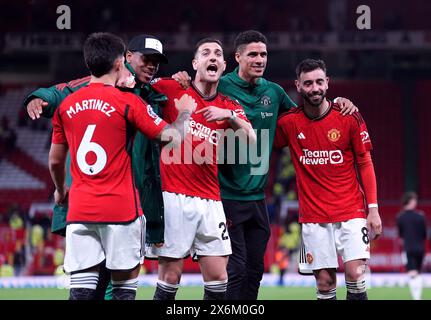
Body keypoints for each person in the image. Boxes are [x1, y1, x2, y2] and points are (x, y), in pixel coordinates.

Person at [173, 30, 358, 300]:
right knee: (234, 270)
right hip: (225, 194)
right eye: (253, 54)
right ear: (237, 58)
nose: (260, 59)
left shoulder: (274, 92)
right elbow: (195, 91)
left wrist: (337, 103)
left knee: (254, 270)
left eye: (264, 54)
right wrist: (182, 80)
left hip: (258, 198)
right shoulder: (220, 86)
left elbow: (304, 118)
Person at [48, 32, 196, 300]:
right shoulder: (129, 102)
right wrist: (185, 112)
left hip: (80, 210)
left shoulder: (66, 105)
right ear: (120, 63)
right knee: (123, 293)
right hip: (122, 211)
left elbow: (55, 161)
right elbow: (171, 137)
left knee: (80, 292)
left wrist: (60, 190)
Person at [147, 38, 255, 300]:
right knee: (170, 277)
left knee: (219, 277)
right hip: (174, 196)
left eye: (218, 54)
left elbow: (252, 140)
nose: (213, 57)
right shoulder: (172, 88)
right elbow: (138, 86)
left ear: (224, 65)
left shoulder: (228, 105)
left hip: (210, 200)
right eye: (206, 53)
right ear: (195, 63)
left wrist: (228, 117)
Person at [273, 58, 382, 300]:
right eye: (308, 83)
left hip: (351, 211)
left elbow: (365, 162)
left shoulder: (348, 116)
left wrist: (372, 209)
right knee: (324, 283)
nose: (315, 88)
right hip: (313, 217)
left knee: (355, 274)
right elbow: (261, 141)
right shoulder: (289, 123)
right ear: (298, 86)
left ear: (328, 83)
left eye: (319, 82)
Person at [397, 191, 428, 300]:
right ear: (410, 201)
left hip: (408, 248)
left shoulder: (400, 217)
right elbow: (425, 234)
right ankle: (417, 297)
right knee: (418, 273)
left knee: (412, 273)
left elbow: (401, 236)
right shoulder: (421, 216)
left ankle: (416, 297)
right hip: (420, 248)